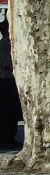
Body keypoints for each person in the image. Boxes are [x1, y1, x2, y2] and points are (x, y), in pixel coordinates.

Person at [0, 17, 20, 146]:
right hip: (4, 82)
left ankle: (11, 137)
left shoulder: (14, 46)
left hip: (12, 81)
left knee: (14, 112)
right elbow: (8, 64)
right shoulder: (2, 47)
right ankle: (4, 139)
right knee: (5, 112)